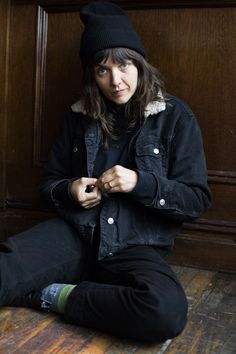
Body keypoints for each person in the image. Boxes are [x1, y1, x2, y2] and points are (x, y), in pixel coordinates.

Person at [0, 1, 211, 343]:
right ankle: (55, 285)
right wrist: (69, 190)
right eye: (103, 70)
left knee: (164, 312)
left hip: (136, 245)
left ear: (140, 65)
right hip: (73, 236)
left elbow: (196, 200)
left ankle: (52, 294)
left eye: (125, 65)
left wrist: (140, 183)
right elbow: (49, 183)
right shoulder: (77, 117)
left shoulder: (175, 117)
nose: (116, 80)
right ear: (91, 76)